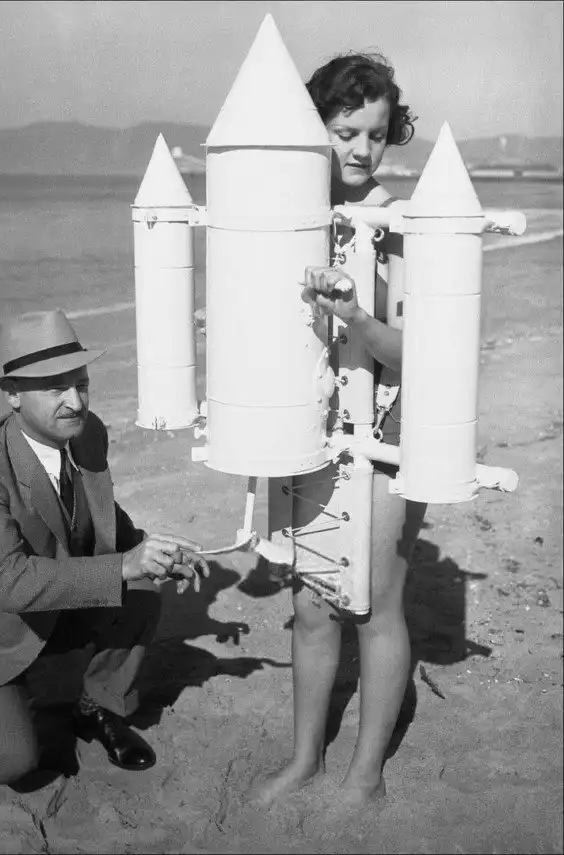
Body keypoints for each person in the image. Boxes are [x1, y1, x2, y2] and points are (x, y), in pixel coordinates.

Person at [0, 309, 208, 787]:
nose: (75, 402)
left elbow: (98, 512)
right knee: (10, 763)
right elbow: (9, 583)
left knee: (143, 594)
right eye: (55, 389)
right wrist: (124, 565)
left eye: (81, 384)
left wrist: (149, 551)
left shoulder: (86, 433)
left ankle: (95, 707)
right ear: (13, 395)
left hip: (52, 601)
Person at [247, 53, 427, 808]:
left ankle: (367, 774)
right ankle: (303, 762)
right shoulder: (294, 214)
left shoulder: (398, 223)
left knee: (374, 603)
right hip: (314, 429)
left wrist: (355, 316)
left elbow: (417, 353)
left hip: (390, 428)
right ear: (312, 129)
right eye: (346, 131)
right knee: (313, 602)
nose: (361, 149)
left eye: (376, 135)